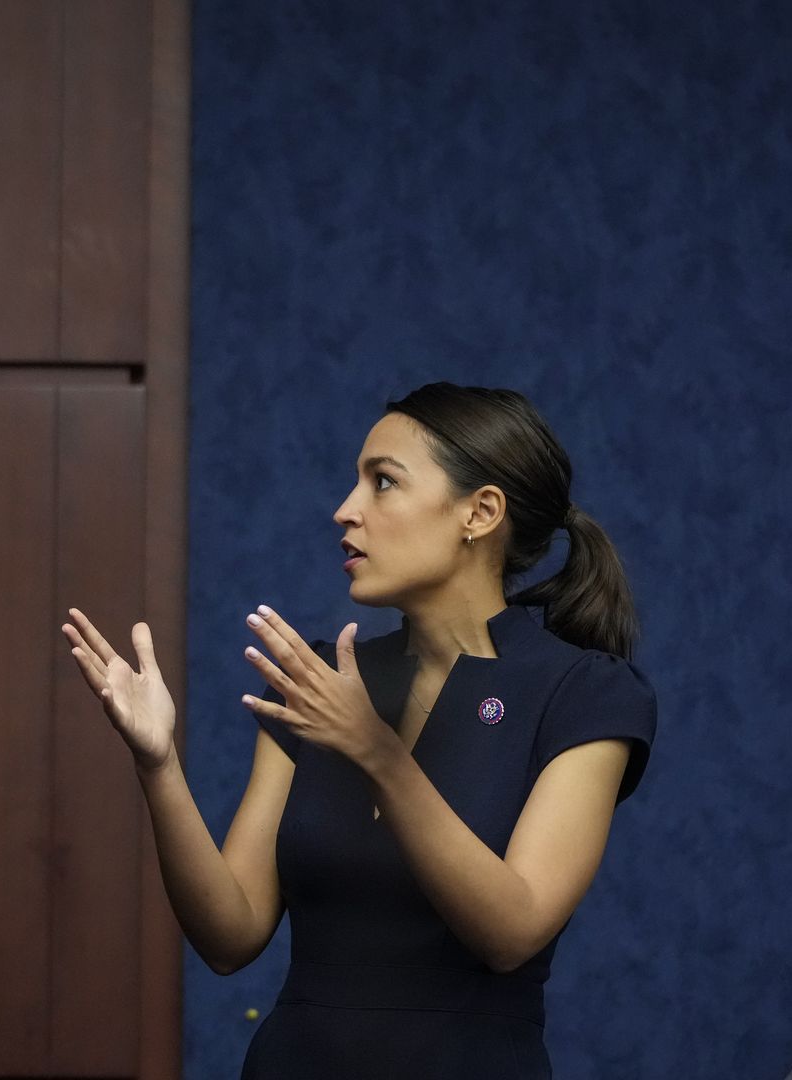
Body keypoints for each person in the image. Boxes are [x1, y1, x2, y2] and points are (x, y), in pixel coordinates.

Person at [63, 383, 657, 1078]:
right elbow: (230, 935)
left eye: (383, 483)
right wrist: (157, 764)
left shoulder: (585, 693)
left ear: (480, 511)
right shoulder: (318, 679)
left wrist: (378, 752)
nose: (346, 510)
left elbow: (513, 931)